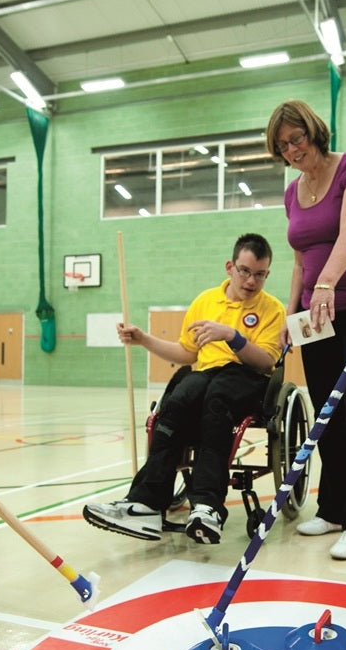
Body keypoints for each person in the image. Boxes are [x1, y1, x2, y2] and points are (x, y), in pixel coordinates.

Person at [84, 233, 284, 544]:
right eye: (244, 271)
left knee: (216, 403)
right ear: (230, 266)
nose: (251, 281)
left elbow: (266, 361)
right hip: (205, 373)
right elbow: (186, 354)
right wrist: (144, 340)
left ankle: (207, 506)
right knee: (176, 404)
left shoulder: (272, 309)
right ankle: (146, 505)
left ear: (267, 274)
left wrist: (232, 335)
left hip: (246, 377)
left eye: (260, 274)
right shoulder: (205, 301)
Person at [266, 100, 346, 561]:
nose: (292, 150)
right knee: (327, 414)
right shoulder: (291, 193)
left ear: (314, 131)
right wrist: (289, 308)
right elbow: (300, 258)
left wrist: (327, 284)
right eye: (282, 146)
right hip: (313, 317)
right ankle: (334, 508)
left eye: (296, 138)